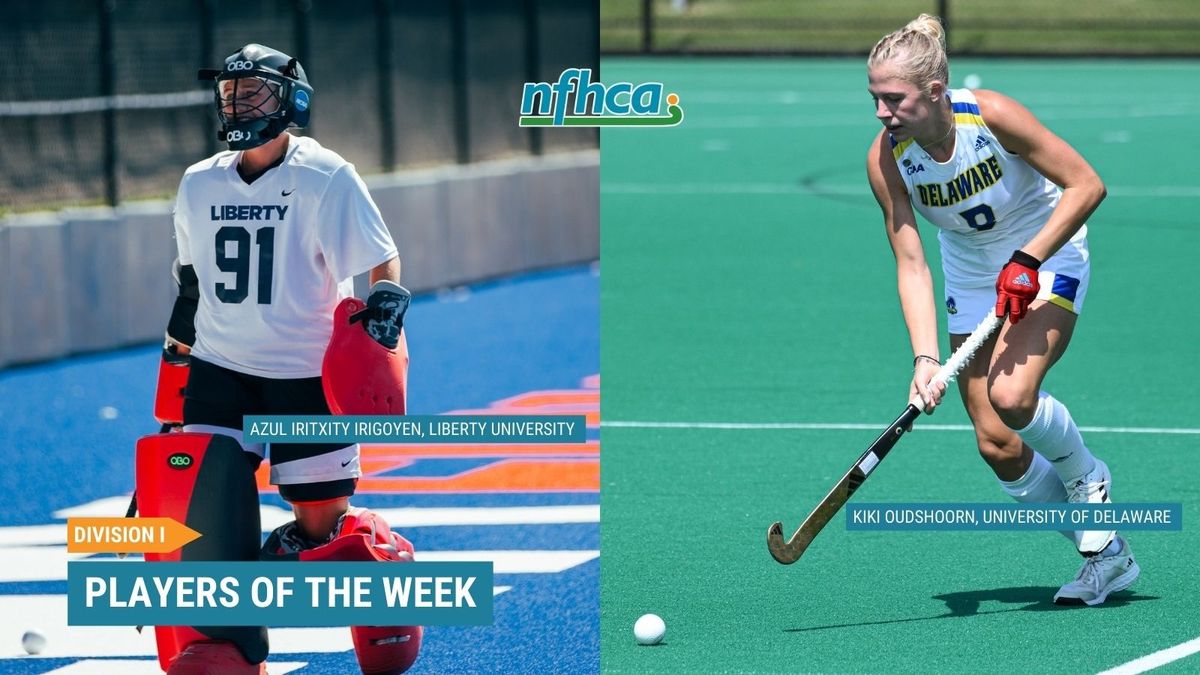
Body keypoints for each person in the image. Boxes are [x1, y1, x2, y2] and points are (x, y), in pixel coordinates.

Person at [161, 43, 420, 672]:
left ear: (291, 100)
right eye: (230, 91)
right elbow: (192, 287)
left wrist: (382, 321)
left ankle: (379, 562)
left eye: (253, 90)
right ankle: (220, 647)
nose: (238, 101)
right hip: (220, 374)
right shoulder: (198, 182)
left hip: (305, 378)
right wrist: (174, 371)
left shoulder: (326, 175)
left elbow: (380, 263)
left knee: (320, 533)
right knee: (197, 523)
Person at [864, 15, 1138, 606]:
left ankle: (1087, 475)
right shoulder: (887, 159)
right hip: (971, 276)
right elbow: (910, 261)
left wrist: (1028, 259)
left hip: (1048, 252)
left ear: (935, 92)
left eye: (894, 99)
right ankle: (1108, 555)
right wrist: (925, 357)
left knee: (1012, 398)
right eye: (875, 99)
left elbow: (1086, 185)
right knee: (997, 444)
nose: (882, 113)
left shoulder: (988, 116)